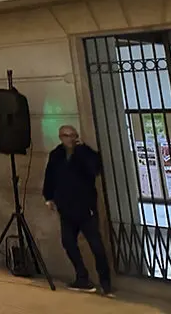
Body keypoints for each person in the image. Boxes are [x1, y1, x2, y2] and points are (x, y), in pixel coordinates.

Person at [43, 125, 112, 295]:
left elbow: (95, 169)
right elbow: (50, 176)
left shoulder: (85, 153)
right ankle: (82, 276)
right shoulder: (56, 155)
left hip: (84, 206)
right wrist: (49, 197)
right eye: (66, 135)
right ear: (60, 137)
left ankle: (105, 281)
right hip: (66, 207)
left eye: (73, 135)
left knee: (96, 244)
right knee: (68, 242)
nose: (70, 139)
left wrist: (82, 150)